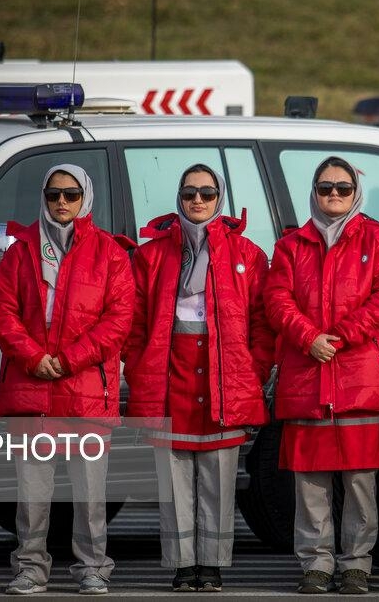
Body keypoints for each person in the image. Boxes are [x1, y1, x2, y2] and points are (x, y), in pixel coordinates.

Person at [123, 164, 274, 593]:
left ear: (219, 198)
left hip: (224, 377)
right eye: (190, 193)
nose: (198, 201)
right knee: (173, 480)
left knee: (218, 478)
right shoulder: (152, 255)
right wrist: (139, 368)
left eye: (207, 193)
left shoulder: (248, 254)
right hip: (170, 374)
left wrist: (252, 370)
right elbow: (133, 324)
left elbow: (262, 324)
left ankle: (212, 564)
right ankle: (182, 564)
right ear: (179, 197)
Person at [263, 156, 379, 595]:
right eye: (326, 188)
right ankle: (316, 563)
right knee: (309, 483)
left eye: (343, 188)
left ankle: (357, 564)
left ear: (355, 193)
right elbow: (276, 299)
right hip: (306, 378)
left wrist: (339, 337)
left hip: (361, 380)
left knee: (360, 482)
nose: (334, 195)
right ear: (314, 192)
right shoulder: (290, 246)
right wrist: (308, 338)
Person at [0, 164, 133, 596]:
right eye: (54, 194)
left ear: (85, 197)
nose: (62, 202)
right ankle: (30, 567)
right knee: (32, 493)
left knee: (90, 493)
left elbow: (119, 319)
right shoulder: (21, 251)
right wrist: (33, 357)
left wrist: (69, 360)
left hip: (85, 388)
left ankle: (93, 567)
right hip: (32, 387)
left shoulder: (109, 252)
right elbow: (2, 311)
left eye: (71, 194)